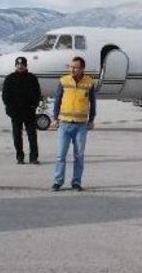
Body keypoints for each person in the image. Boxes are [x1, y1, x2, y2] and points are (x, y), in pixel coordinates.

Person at [50, 56, 96, 191]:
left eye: (75, 67)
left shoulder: (89, 83)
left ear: (82, 69)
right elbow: (57, 100)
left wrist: (91, 120)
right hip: (64, 124)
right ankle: (58, 181)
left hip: (81, 125)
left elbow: (93, 103)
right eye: (70, 67)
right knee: (60, 155)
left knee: (79, 156)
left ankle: (76, 182)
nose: (72, 69)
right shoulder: (64, 81)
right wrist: (54, 117)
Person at [1, 56, 41, 165]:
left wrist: (34, 106)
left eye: (22, 64)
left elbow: (37, 94)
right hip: (16, 113)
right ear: (15, 65)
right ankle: (20, 156)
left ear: (26, 65)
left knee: (32, 136)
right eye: (18, 64)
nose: (20, 66)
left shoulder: (32, 78)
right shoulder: (9, 78)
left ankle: (33, 157)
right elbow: (5, 96)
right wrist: (10, 110)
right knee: (17, 136)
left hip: (29, 112)